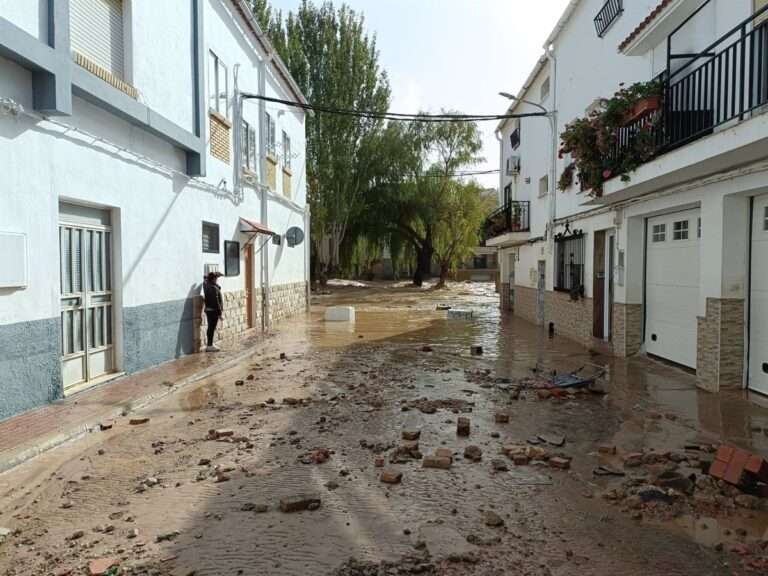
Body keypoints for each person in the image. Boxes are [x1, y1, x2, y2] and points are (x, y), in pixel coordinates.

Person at [202, 271, 224, 352]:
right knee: (211, 328)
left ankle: (210, 344)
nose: (217, 280)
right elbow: (216, 302)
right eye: (216, 278)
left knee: (210, 328)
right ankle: (209, 345)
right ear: (213, 279)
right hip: (213, 311)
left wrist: (216, 275)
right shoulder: (213, 288)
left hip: (209, 311)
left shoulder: (207, 285)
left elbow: (205, 279)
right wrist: (220, 314)